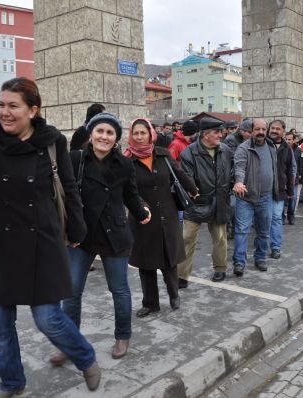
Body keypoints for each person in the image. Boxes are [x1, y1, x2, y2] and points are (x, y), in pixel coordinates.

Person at [0, 77, 101, 396]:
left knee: (48, 319)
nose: (4, 112)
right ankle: (12, 382)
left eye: (12, 106)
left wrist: (77, 228)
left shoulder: (52, 141)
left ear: (33, 110)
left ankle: (85, 357)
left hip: (41, 242)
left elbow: (69, 187)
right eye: (1, 105)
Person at [62, 112, 151, 361]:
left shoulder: (124, 164)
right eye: (100, 131)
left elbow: (131, 195)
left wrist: (141, 210)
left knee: (119, 290)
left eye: (110, 132)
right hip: (81, 235)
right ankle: (69, 342)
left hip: (114, 234)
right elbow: (62, 194)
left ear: (116, 138)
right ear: (90, 134)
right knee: (71, 292)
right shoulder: (75, 159)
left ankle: (123, 336)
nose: (104, 136)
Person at [124, 118, 197, 317]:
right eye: (136, 133)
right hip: (143, 218)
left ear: (150, 134)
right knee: (146, 263)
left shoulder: (163, 155)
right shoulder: (126, 161)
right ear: (131, 135)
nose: (139, 137)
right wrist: (140, 206)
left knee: (169, 260)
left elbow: (179, 174)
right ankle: (150, 303)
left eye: (143, 133)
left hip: (167, 215)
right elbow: (126, 190)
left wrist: (192, 188)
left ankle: (174, 294)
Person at [177, 117, 232, 285]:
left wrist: (232, 184)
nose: (220, 135)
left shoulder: (226, 150)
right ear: (205, 135)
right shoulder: (189, 153)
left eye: (221, 132)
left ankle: (220, 269)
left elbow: (231, 171)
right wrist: (194, 191)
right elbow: (187, 178)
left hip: (220, 200)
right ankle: (182, 276)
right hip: (197, 202)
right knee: (187, 238)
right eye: (217, 132)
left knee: (220, 237)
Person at [232, 118, 278, 276]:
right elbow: (239, 168)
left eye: (263, 129)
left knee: (264, 231)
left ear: (266, 131)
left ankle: (260, 258)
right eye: (257, 129)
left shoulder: (271, 146)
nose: (260, 132)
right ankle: (239, 262)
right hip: (246, 198)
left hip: (266, 197)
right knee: (241, 231)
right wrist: (238, 182)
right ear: (251, 131)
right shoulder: (243, 148)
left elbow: (274, 170)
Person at [268, 120, 295, 259]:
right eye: (272, 128)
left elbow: (290, 171)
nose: (274, 131)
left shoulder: (286, 147)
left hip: (279, 190)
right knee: (263, 219)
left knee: (277, 218)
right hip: (264, 190)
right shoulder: (263, 144)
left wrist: (290, 191)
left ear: (283, 131)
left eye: (277, 129)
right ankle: (261, 244)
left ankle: (275, 247)